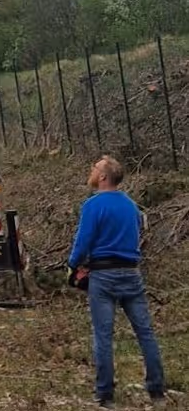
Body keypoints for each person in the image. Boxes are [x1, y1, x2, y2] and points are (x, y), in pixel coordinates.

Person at [67, 154, 165, 405]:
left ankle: (105, 394)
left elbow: (84, 240)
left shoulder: (93, 205)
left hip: (103, 276)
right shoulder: (131, 205)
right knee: (145, 332)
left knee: (103, 335)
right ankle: (156, 390)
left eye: (94, 167)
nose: (91, 170)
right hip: (131, 274)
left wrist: (72, 265)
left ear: (102, 176)